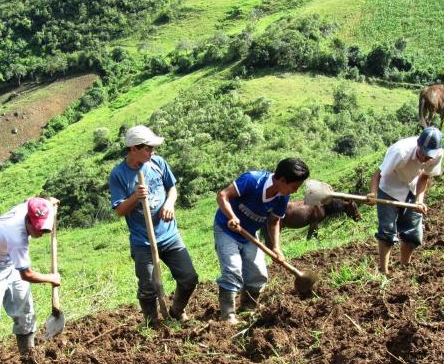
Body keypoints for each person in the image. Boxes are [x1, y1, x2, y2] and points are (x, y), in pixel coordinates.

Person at [109, 125, 198, 324]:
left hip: (169, 236)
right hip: (143, 242)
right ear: (133, 149)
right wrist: (135, 197)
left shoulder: (158, 163)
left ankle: (177, 310)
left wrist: (169, 203)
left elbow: (172, 189)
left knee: (189, 278)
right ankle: (152, 322)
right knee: (148, 287)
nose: (153, 152)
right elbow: (119, 211)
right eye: (148, 148)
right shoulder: (118, 175)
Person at [0, 197, 61, 364]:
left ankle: (28, 357)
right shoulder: (16, 236)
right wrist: (52, 278)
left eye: (45, 229)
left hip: (10, 261)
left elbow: (35, 201)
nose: (41, 233)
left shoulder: (35, 207)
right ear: (28, 220)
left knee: (25, 311)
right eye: (39, 229)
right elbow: (26, 275)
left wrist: (50, 204)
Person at [214, 158, 310, 324]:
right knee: (232, 269)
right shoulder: (252, 180)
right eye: (294, 187)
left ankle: (248, 308)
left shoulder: (282, 197)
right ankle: (227, 316)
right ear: (282, 180)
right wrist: (232, 217)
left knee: (258, 274)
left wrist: (276, 248)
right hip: (226, 229)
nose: (294, 191)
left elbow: (274, 221)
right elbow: (222, 196)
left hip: (249, 233)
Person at [366, 126, 443, 275]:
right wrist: (373, 194)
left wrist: (419, 201)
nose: (425, 159)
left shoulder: (437, 154)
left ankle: (404, 268)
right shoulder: (400, 152)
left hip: (412, 187)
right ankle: (384, 272)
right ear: (418, 145)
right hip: (389, 187)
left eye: (429, 157)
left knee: (413, 233)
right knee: (387, 231)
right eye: (423, 154)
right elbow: (377, 174)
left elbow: (424, 177)